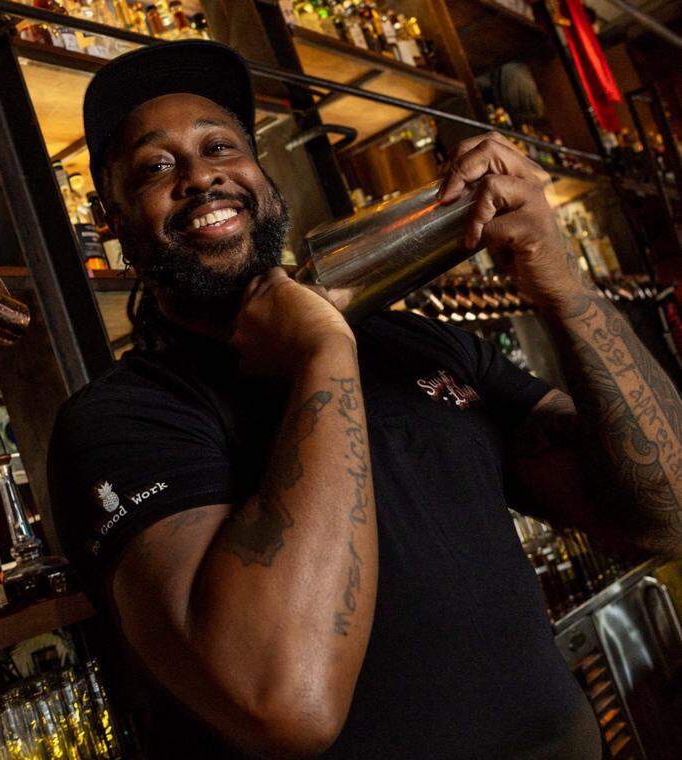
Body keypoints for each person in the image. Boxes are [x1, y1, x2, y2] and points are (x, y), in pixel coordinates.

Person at [47, 41, 682, 759]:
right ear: (114, 224)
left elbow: (669, 516)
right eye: (155, 166)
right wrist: (324, 351)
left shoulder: (416, 345)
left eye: (221, 146)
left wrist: (565, 289)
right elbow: (284, 703)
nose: (200, 175)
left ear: (264, 176)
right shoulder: (122, 422)